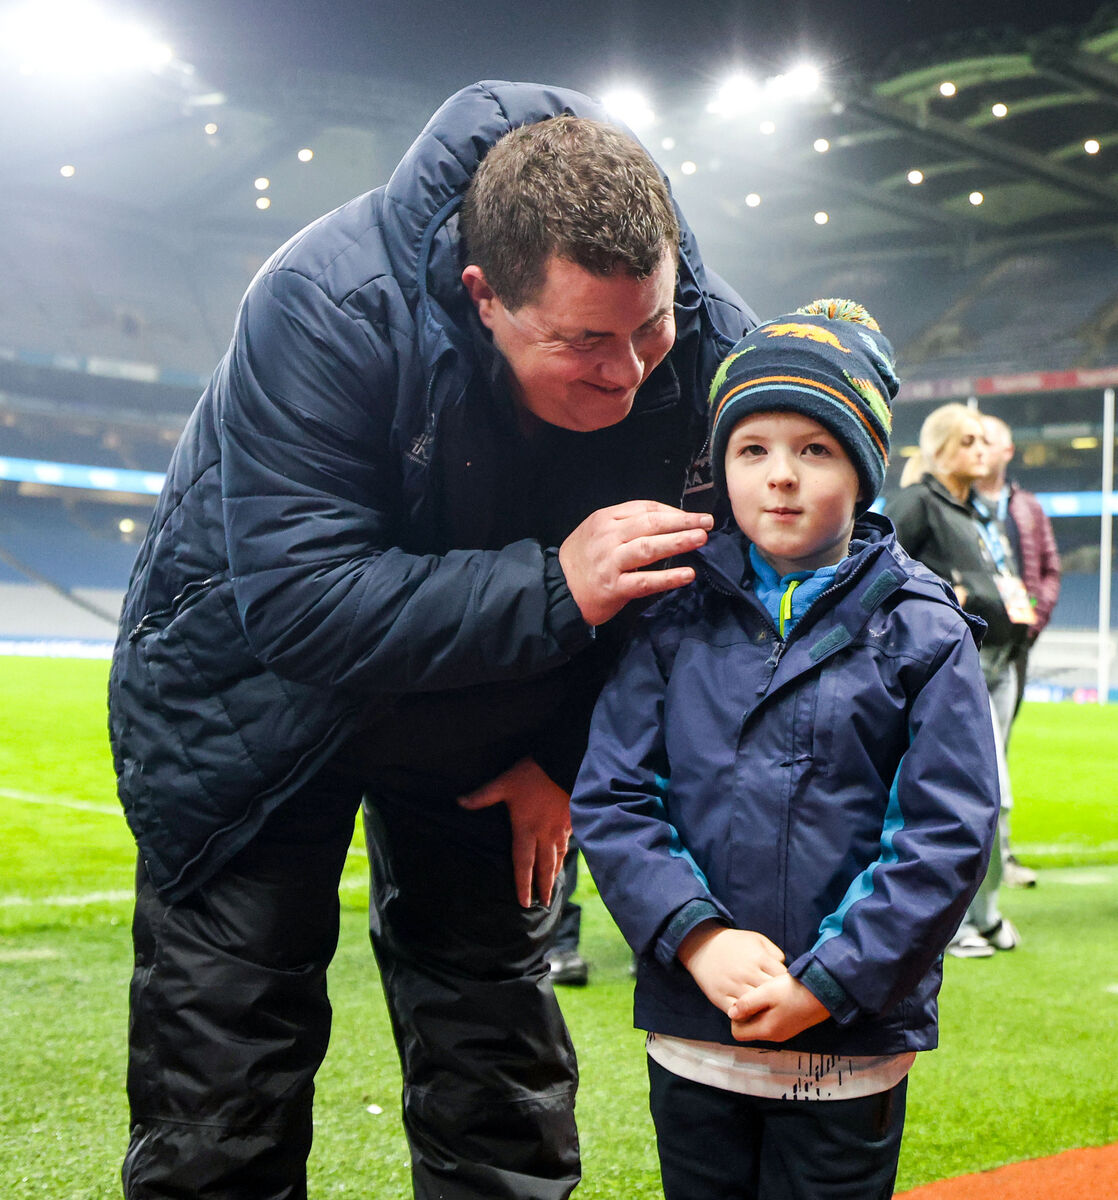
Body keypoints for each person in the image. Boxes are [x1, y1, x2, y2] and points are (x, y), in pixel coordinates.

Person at [108, 80, 754, 1200]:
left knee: (497, 1068)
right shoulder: (319, 302)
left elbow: (703, 599)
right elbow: (300, 601)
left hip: (495, 721)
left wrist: (564, 761)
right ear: (480, 296)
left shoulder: (705, 339)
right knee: (222, 1086)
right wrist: (557, 586)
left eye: (648, 325)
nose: (631, 371)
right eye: (584, 343)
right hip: (253, 715)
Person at [570, 300, 1000, 1200]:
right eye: (752, 449)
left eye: (816, 449)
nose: (779, 478)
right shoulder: (670, 615)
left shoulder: (924, 631)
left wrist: (834, 980)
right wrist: (696, 937)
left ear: (865, 469)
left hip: (846, 1054)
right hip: (699, 1039)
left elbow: (946, 834)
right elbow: (613, 798)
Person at [886, 403, 1033, 955]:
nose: (981, 449)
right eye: (968, 440)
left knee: (991, 798)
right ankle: (958, 924)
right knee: (979, 798)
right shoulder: (918, 502)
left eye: (983, 440)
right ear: (940, 450)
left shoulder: (977, 510)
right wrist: (945, 593)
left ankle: (984, 916)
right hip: (956, 667)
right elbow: (878, 564)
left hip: (1000, 662)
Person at [977, 413, 1061, 887]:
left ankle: (1001, 858)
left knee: (1000, 754)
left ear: (1008, 451)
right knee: (979, 759)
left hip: (1012, 648)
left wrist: (1032, 621)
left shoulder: (1025, 507)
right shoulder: (952, 505)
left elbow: (1048, 569)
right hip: (968, 645)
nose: (982, 448)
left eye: (990, 439)